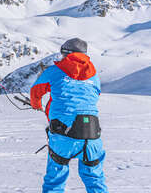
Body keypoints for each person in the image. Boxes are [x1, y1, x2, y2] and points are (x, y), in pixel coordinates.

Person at [30, 38, 107, 193]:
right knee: (95, 179)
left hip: (63, 136)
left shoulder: (53, 71)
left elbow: (35, 92)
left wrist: (37, 105)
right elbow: (93, 96)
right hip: (92, 134)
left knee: (55, 180)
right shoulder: (94, 76)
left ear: (66, 54)